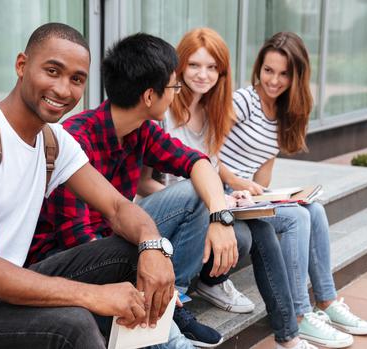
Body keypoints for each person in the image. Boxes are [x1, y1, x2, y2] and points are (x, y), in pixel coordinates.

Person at [0, 23, 177, 349]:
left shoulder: (54, 142)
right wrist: (94, 295)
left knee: (132, 252)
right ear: (21, 65)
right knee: (72, 325)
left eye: (76, 79)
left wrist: (153, 245)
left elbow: (118, 207)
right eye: (52, 71)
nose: (63, 89)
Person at [29, 32, 242, 348]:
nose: (175, 95)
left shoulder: (142, 131)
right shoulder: (76, 140)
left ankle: (174, 295)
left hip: (116, 237)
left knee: (193, 193)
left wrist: (219, 216)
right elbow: (79, 240)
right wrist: (143, 269)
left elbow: (197, 162)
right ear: (148, 96)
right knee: (137, 253)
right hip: (64, 260)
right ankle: (164, 316)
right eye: (172, 87)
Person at [138, 27, 318, 349]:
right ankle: (189, 292)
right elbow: (142, 182)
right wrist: (210, 202)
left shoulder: (212, 112)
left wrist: (231, 189)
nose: (203, 75)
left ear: (222, 71)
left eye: (212, 67)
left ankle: (288, 335)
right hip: (167, 213)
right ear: (179, 66)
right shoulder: (163, 109)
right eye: (194, 65)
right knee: (242, 231)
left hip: (206, 203)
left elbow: (212, 164)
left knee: (264, 228)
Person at [219, 31, 367, 348]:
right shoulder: (243, 101)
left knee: (312, 209)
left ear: (296, 75)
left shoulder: (284, 114)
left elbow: (262, 177)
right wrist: (235, 181)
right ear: (258, 68)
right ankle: (300, 315)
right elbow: (206, 152)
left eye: (283, 73)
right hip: (220, 193)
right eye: (268, 70)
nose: (273, 81)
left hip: (245, 196)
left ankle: (327, 302)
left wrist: (274, 195)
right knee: (297, 218)